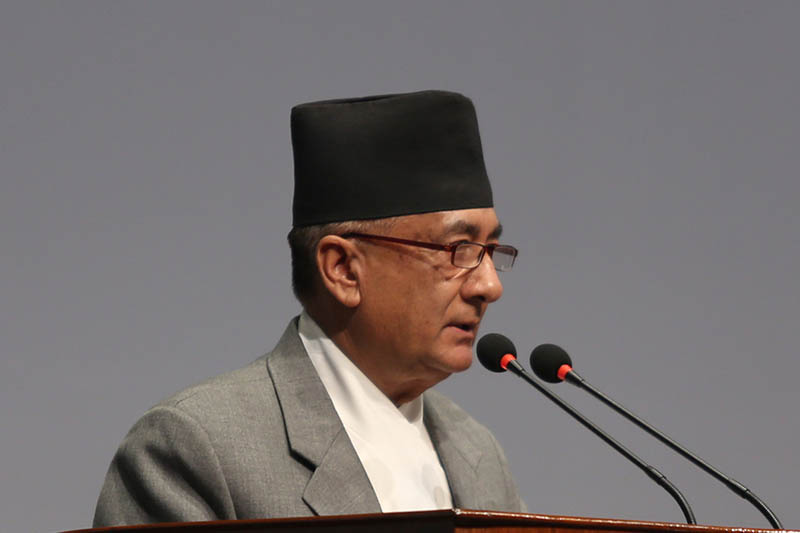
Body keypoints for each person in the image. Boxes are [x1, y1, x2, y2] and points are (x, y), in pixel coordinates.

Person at [93, 90, 526, 527]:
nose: (490, 286)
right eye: (459, 249)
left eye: (491, 250)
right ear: (342, 270)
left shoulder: (477, 453)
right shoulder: (197, 449)